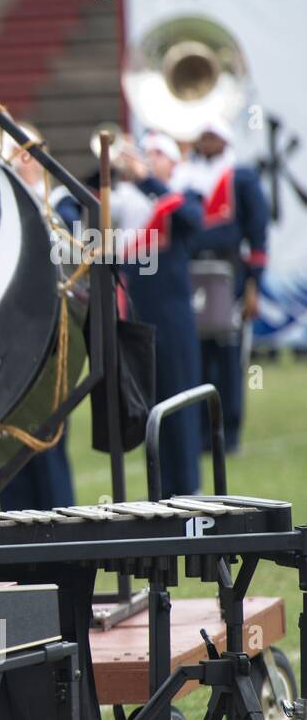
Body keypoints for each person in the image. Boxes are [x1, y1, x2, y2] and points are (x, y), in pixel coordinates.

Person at [174, 117, 269, 454]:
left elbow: (257, 232)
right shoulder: (183, 177)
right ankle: (199, 432)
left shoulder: (241, 177)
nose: (207, 140)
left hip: (229, 274)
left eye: (213, 135)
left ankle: (228, 433)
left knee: (228, 355)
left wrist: (254, 285)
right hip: (191, 271)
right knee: (196, 355)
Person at [0, 123, 76, 511]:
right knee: (8, 446)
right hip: (7, 340)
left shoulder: (63, 203)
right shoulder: (2, 207)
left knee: (46, 442)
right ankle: (13, 534)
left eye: (21, 155)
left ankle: (59, 535)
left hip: (48, 339)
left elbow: (72, 258)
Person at [124, 132, 206, 497]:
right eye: (149, 153)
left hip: (174, 320)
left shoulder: (184, 193)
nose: (151, 158)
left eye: (159, 153)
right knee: (153, 406)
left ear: (173, 162)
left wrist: (150, 180)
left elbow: (193, 220)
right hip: (142, 320)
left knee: (181, 405)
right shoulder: (132, 200)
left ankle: (188, 488)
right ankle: (162, 490)